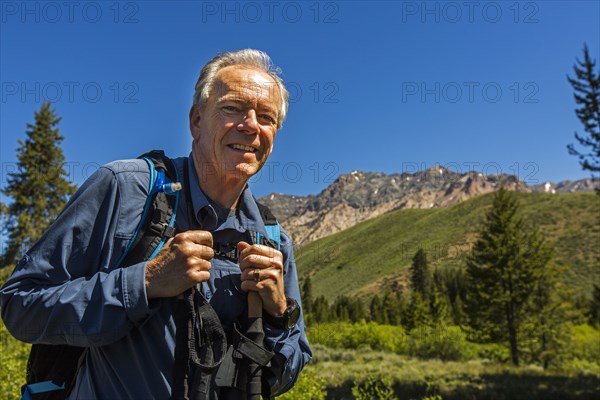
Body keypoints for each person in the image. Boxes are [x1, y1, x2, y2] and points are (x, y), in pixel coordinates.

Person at [0, 49, 312, 399]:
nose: (251, 125)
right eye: (233, 108)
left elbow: (287, 372)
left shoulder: (272, 240)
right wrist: (144, 282)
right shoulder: (126, 188)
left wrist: (277, 312)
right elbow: (20, 306)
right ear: (196, 121)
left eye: (266, 117)